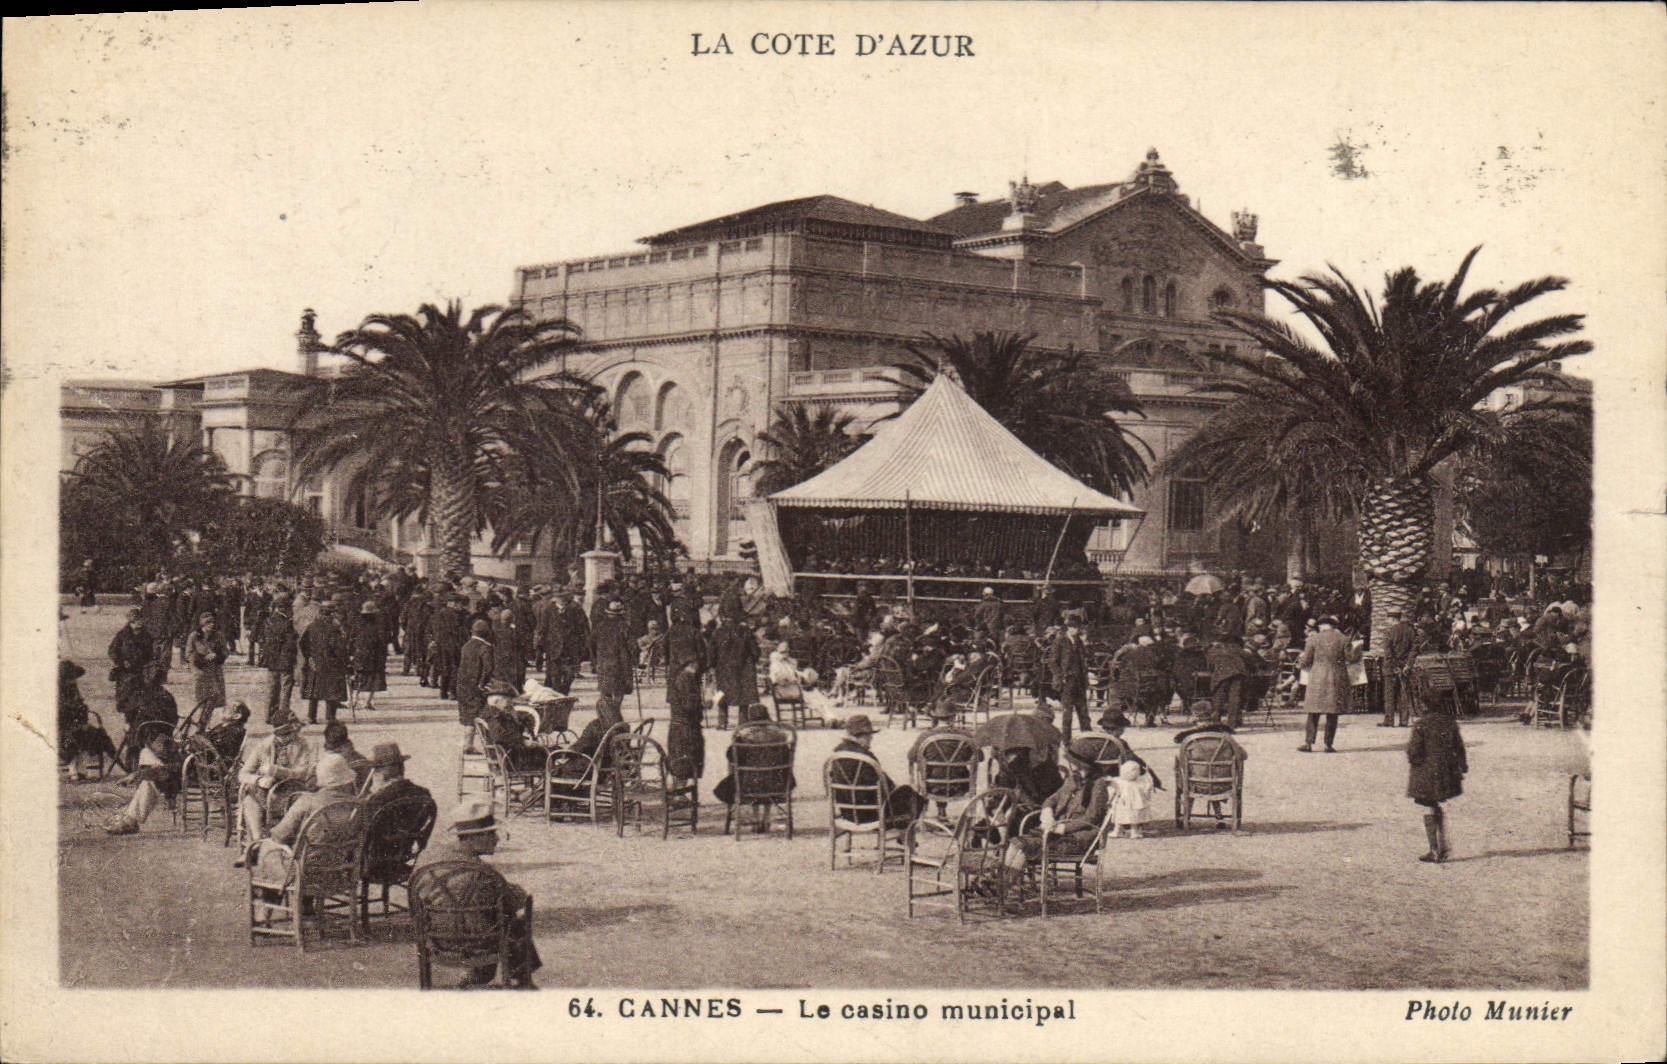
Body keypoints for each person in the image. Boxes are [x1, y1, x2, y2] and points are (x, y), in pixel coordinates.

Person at [412, 799, 542, 988]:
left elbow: (414, 900)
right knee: (513, 921)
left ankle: (479, 977)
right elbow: (515, 902)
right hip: (479, 944)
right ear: (473, 837)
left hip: (436, 940)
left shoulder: (427, 859)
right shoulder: (484, 873)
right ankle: (521, 980)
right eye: (491, 834)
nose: (497, 839)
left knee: (481, 916)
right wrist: (518, 892)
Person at [1407, 671, 1468, 863]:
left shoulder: (1421, 725)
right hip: (1447, 772)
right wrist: (1462, 766)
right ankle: (1442, 843)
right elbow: (1459, 747)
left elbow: (1413, 751)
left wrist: (1415, 763)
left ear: (1424, 705)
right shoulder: (1449, 722)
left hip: (1427, 773)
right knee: (1436, 804)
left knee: (1427, 806)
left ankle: (1434, 848)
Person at [236, 710, 317, 852]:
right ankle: (257, 841)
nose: (287, 738)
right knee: (249, 796)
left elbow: (305, 773)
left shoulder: (305, 745)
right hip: (267, 793)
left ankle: (282, 840)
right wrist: (258, 780)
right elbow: (243, 774)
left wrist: (277, 771)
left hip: (294, 791)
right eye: (282, 735)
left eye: (290, 734)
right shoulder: (264, 746)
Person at [826, 715, 925, 825]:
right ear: (862, 736)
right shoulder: (866, 757)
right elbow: (885, 787)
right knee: (912, 796)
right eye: (869, 736)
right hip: (871, 814)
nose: (871, 739)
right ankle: (905, 833)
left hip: (847, 812)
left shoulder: (837, 754)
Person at [103, 728, 183, 835]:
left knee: (150, 777)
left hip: (185, 773)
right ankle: (130, 819)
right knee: (147, 755)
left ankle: (130, 820)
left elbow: (179, 763)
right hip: (172, 771)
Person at [1298, 615, 1359, 753]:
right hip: (1337, 677)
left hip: (1317, 678)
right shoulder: (1343, 638)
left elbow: (1306, 660)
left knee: (1313, 711)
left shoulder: (1313, 639)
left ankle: (1308, 743)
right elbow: (1351, 658)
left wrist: (1300, 664)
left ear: (1321, 626)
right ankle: (1328, 745)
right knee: (1333, 712)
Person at [59, 660, 116, 780]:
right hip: (64, 729)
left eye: (74, 678)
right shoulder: (60, 694)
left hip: (77, 726)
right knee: (82, 737)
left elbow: (81, 710)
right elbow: (63, 714)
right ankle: (77, 770)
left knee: (97, 735)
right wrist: (79, 723)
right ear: (65, 679)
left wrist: (82, 720)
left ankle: (86, 769)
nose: (73, 680)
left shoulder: (72, 691)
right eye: (70, 678)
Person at [300, 600, 351, 726]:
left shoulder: (312, 626)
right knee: (332, 690)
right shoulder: (334, 628)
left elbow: (302, 643)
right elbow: (338, 647)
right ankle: (330, 717)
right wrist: (346, 662)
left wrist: (309, 657)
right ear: (332, 613)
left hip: (315, 662)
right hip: (332, 663)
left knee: (314, 691)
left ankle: (311, 716)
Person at [709, 614, 760, 729]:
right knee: (743, 696)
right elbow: (755, 651)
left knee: (722, 694)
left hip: (724, 668)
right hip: (744, 668)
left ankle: (722, 722)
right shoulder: (746, 632)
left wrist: (712, 664)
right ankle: (743, 721)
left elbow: (712, 653)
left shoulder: (718, 632)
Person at [591, 600, 635, 728]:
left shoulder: (599, 626)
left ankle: (606, 719)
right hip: (620, 665)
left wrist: (596, 660)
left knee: (605, 693)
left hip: (603, 664)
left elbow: (591, 644)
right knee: (619, 693)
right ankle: (614, 719)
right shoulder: (624, 627)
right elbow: (632, 646)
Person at [258, 593, 300, 724]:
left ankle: (269, 715)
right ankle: (282, 716)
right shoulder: (287, 623)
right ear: (285, 608)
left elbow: (262, 639)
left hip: (271, 660)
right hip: (285, 661)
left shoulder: (268, 621)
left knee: (272, 689)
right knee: (285, 690)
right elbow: (290, 643)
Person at [107, 609, 154, 724]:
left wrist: (147, 664)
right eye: (136, 620)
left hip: (140, 672)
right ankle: (128, 721)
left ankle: (137, 721)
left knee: (141, 699)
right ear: (131, 622)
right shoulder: (122, 635)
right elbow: (112, 651)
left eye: (140, 620)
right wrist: (122, 661)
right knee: (126, 699)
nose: (139, 622)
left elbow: (151, 654)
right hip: (125, 674)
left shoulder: (147, 635)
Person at [665, 656, 705, 784]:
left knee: (683, 762)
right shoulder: (686, 678)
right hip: (685, 727)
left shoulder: (682, 677)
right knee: (684, 762)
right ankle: (679, 789)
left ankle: (679, 787)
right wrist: (703, 704)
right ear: (693, 664)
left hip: (682, 725)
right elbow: (688, 704)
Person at [456, 619, 494, 749]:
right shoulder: (485, 648)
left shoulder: (466, 646)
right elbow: (488, 669)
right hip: (476, 686)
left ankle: (468, 743)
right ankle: (485, 745)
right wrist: (483, 684)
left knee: (468, 716)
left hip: (463, 685)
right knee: (480, 714)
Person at [184, 611, 230, 720]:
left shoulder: (219, 635)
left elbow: (225, 651)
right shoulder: (194, 636)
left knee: (214, 698)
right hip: (200, 671)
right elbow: (188, 654)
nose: (211, 625)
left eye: (213, 622)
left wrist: (217, 655)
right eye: (208, 623)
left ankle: (204, 722)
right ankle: (202, 721)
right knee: (202, 699)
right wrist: (202, 658)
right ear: (202, 624)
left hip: (215, 671)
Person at [1379, 605, 1418, 728]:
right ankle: (1404, 721)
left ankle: (1389, 720)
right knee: (1404, 693)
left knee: (1389, 694)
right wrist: (1408, 665)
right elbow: (1414, 649)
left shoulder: (1388, 631)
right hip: (1405, 668)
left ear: (1391, 619)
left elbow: (1388, 652)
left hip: (1391, 668)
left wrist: (1395, 666)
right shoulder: (1410, 631)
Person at [351, 600, 389, 711]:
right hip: (374, 655)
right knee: (373, 678)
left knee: (358, 677)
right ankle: (367, 702)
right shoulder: (379, 625)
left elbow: (351, 638)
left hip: (360, 654)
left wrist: (351, 652)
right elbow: (383, 640)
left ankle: (354, 700)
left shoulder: (357, 623)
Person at [1107, 758, 1155, 838]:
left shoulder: (1124, 781)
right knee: (1126, 818)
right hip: (1128, 804)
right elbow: (1147, 787)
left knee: (1126, 817)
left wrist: (1110, 799)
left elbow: (1113, 789)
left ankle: (1125, 831)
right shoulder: (1128, 782)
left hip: (1126, 804)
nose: (1137, 773)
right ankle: (1125, 831)